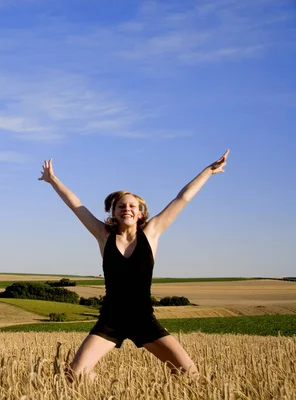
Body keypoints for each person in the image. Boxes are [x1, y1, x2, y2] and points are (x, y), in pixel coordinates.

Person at [38, 150, 229, 380]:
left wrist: (209, 171)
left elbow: (182, 198)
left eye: (132, 206)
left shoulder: (152, 232)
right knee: (75, 374)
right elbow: (76, 205)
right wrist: (53, 180)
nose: (126, 208)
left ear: (140, 213)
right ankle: (109, 390)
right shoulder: (103, 235)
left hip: (144, 320)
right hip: (111, 319)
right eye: (121, 206)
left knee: (190, 375)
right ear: (114, 212)